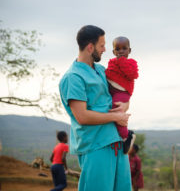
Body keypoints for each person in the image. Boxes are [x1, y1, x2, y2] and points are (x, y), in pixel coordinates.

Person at [59, 25, 132, 191]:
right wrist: (115, 117)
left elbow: (120, 92)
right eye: (102, 45)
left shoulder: (100, 70)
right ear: (90, 47)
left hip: (117, 143)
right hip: (95, 147)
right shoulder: (73, 77)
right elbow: (82, 116)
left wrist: (124, 105)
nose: (105, 49)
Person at [105, 36, 139, 154]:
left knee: (117, 110)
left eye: (124, 48)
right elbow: (109, 73)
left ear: (129, 50)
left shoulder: (131, 63)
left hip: (122, 92)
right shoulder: (111, 62)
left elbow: (132, 74)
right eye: (117, 49)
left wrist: (122, 61)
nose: (121, 51)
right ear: (113, 52)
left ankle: (126, 136)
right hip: (111, 91)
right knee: (111, 110)